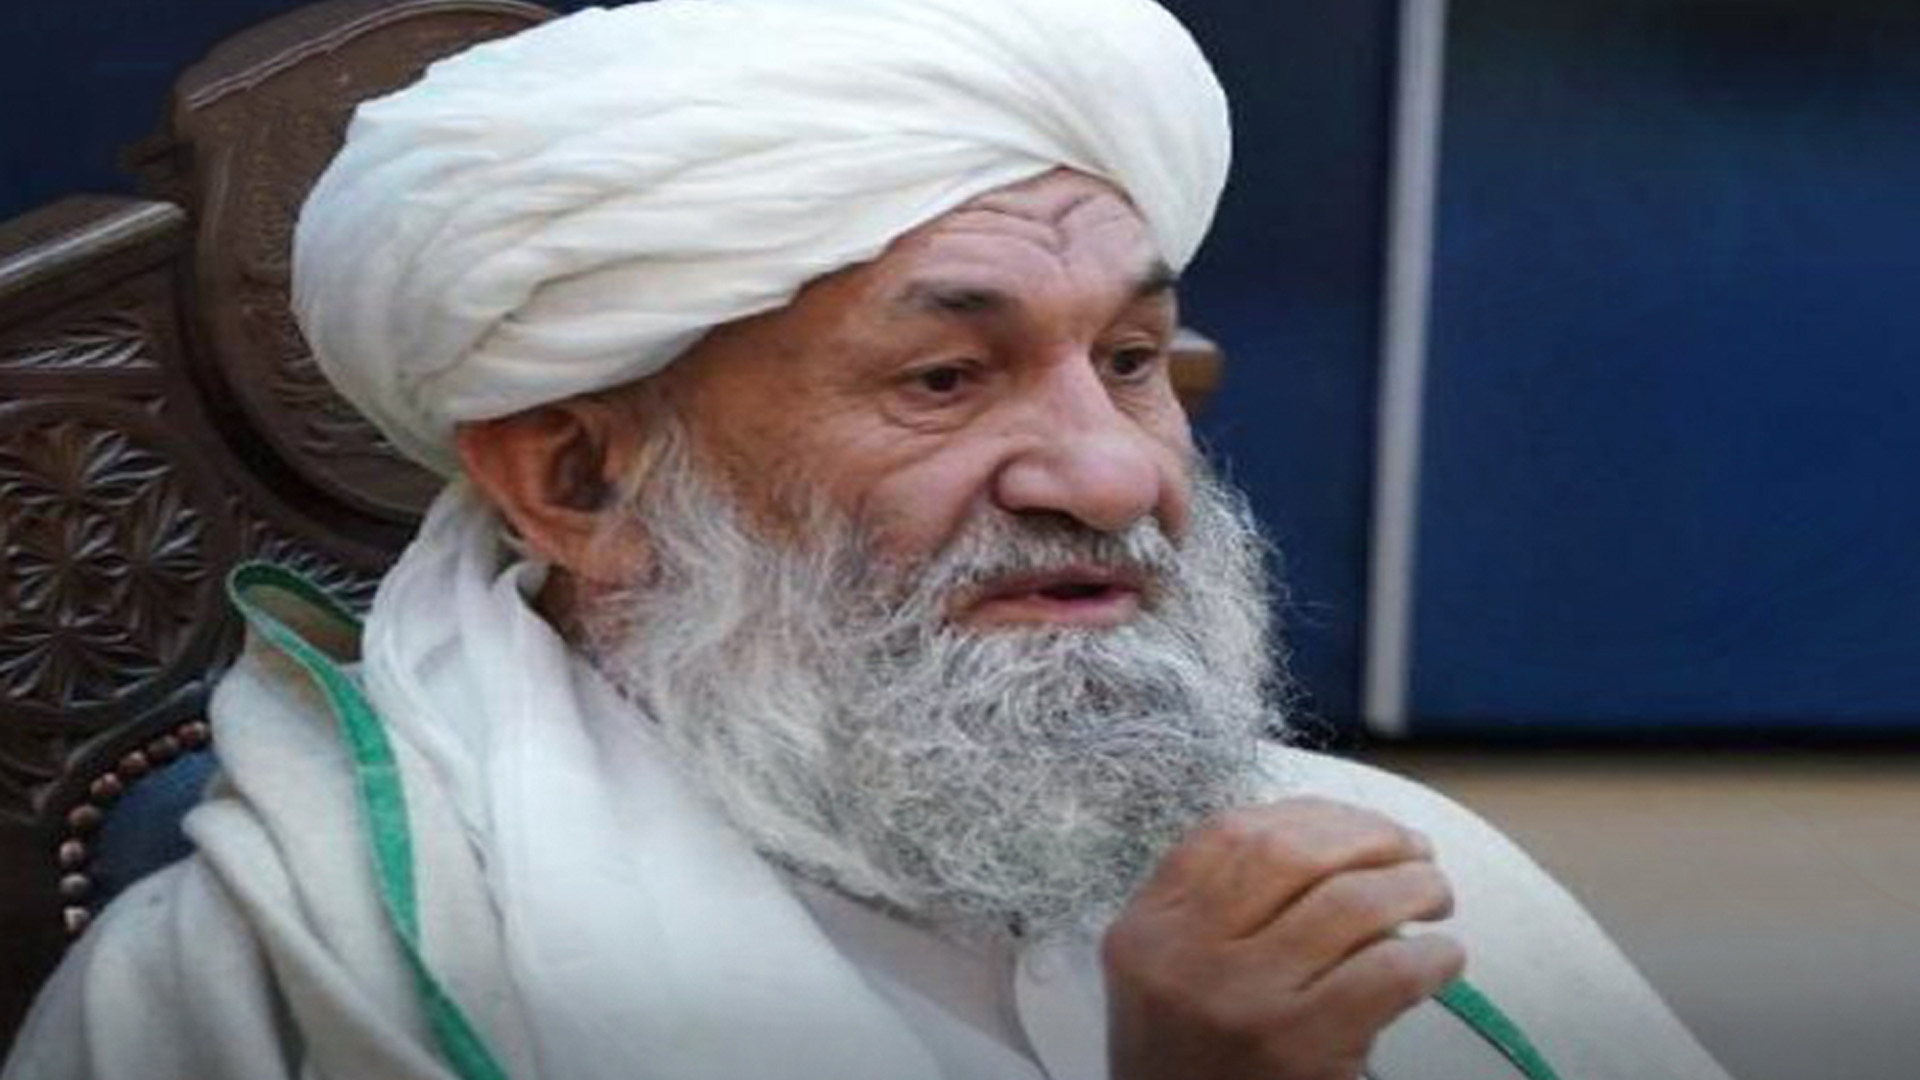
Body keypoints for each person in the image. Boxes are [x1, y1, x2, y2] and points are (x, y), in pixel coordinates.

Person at [4, 1, 1732, 1078]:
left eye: (1134, 361)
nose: (1111, 477)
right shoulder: (278, 988)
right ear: (579, 483)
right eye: (943, 378)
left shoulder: (1379, 868)